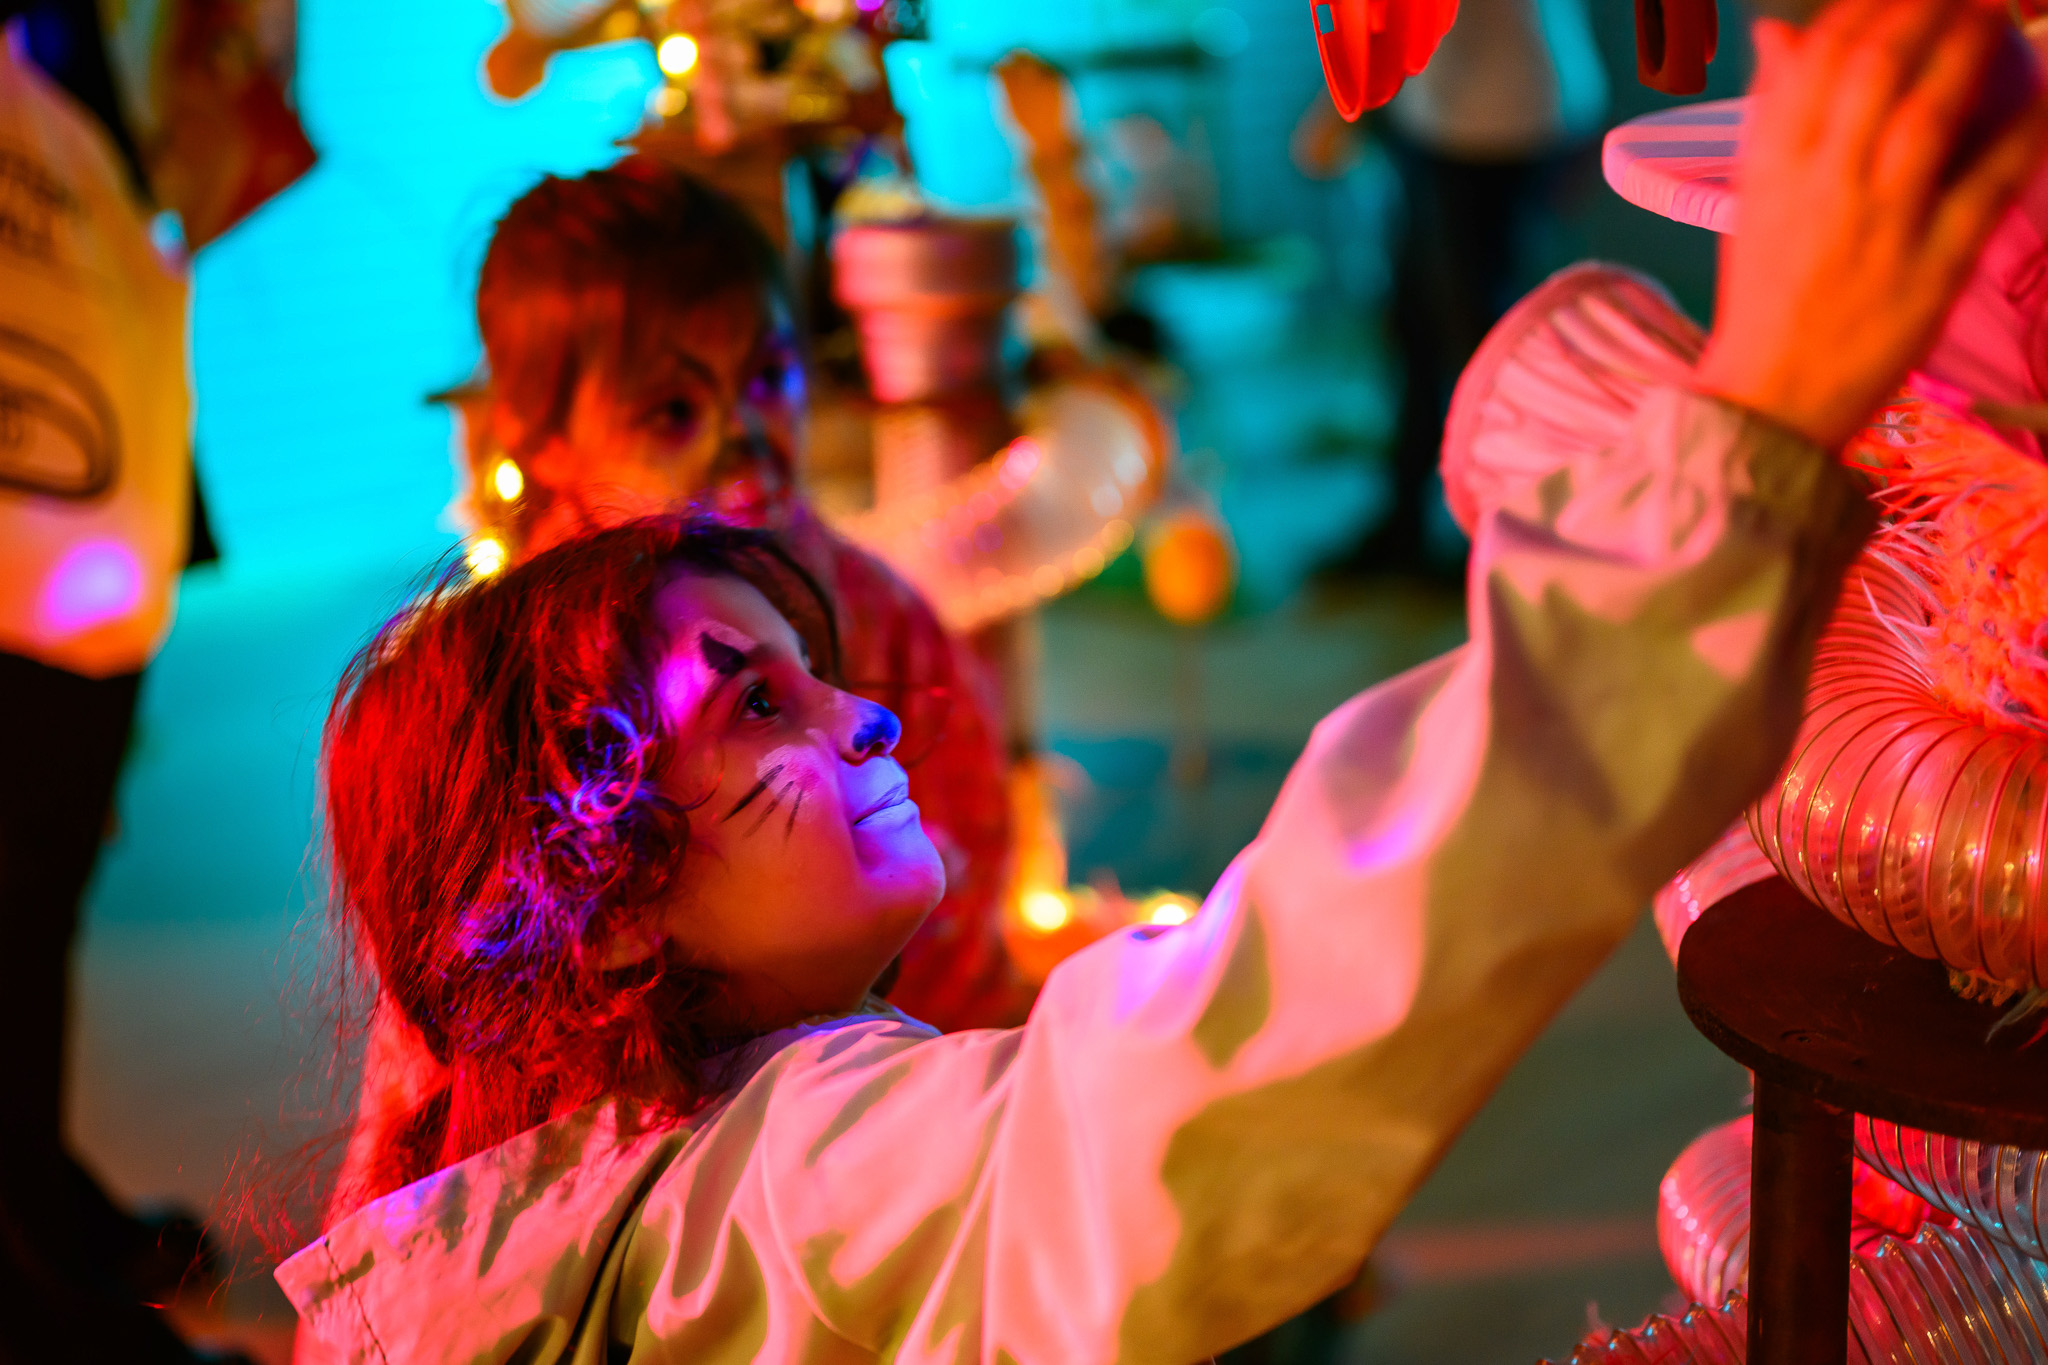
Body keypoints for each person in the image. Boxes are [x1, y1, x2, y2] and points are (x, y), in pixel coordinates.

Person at [277, 0, 2045, 1356]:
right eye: (757, 703)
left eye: (811, 675)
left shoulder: (532, 1223)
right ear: (594, 917)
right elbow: (1225, 1051)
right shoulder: (797, 1185)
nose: (868, 710)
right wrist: (1751, 424)